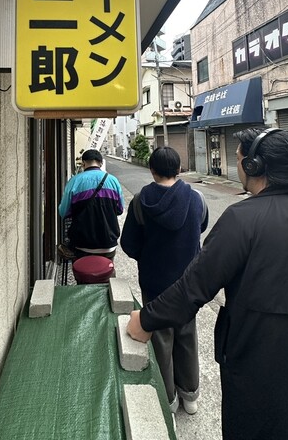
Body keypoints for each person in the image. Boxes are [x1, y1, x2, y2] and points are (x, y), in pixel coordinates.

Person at [126, 127, 288, 440]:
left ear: (254, 166)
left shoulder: (242, 218)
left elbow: (195, 287)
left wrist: (146, 319)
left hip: (260, 363)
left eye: (240, 159)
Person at [121, 146, 208, 415]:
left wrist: (148, 257)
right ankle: (190, 396)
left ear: (152, 170)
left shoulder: (140, 202)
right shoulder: (197, 199)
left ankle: (168, 399)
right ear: (179, 169)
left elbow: (128, 243)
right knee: (187, 334)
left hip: (154, 281)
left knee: (160, 338)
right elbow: (200, 227)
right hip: (188, 283)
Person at [58, 149, 124, 259]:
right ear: (101, 163)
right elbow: (120, 209)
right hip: (108, 242)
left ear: (83, 163)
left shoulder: (74, 181)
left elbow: (63, 212)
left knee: (81, 269)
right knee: (107, 268)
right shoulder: (113, 181)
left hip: (81, 244)